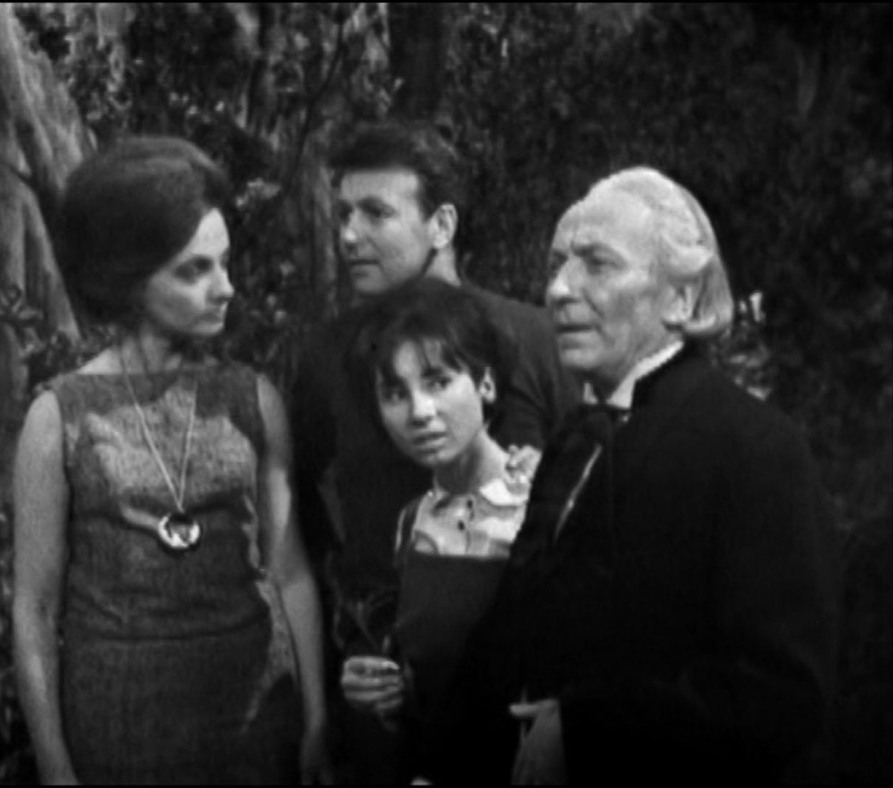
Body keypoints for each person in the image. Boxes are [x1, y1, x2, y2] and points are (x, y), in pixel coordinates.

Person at [452, 166, 839, 783]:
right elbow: (515, 635)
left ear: (681, 299)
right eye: (557, 265)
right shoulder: (575, 438)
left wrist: (589, 731)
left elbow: (782, 697)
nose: (558, 289)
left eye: (597, 264)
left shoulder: (756, 449)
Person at [12, 136, 330, 785]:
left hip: (254, 723)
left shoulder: (252, 400)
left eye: (225, 263)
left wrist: (317, 720)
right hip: (118, 731)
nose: (225, 289)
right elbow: (35, 607)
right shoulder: (60, 418)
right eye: (194, 271)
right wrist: (55, 767)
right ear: (129, 280)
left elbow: (290, 570)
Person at [289, 120, 575, 782]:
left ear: (442, 224)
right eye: (343, 214)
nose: (349, 235)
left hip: (519, 710)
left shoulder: (535, 340)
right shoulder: (328, 358)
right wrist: (332, 690)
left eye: (376, 213)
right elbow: (308, 532)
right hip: (381, 701)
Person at [339, 279, 537, 782]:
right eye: (395, 394)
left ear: (485, 383)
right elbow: (429, 684)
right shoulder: (414, 521)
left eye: (438, 382)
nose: (420, 412)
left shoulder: (541, 507)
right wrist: (379, 689)